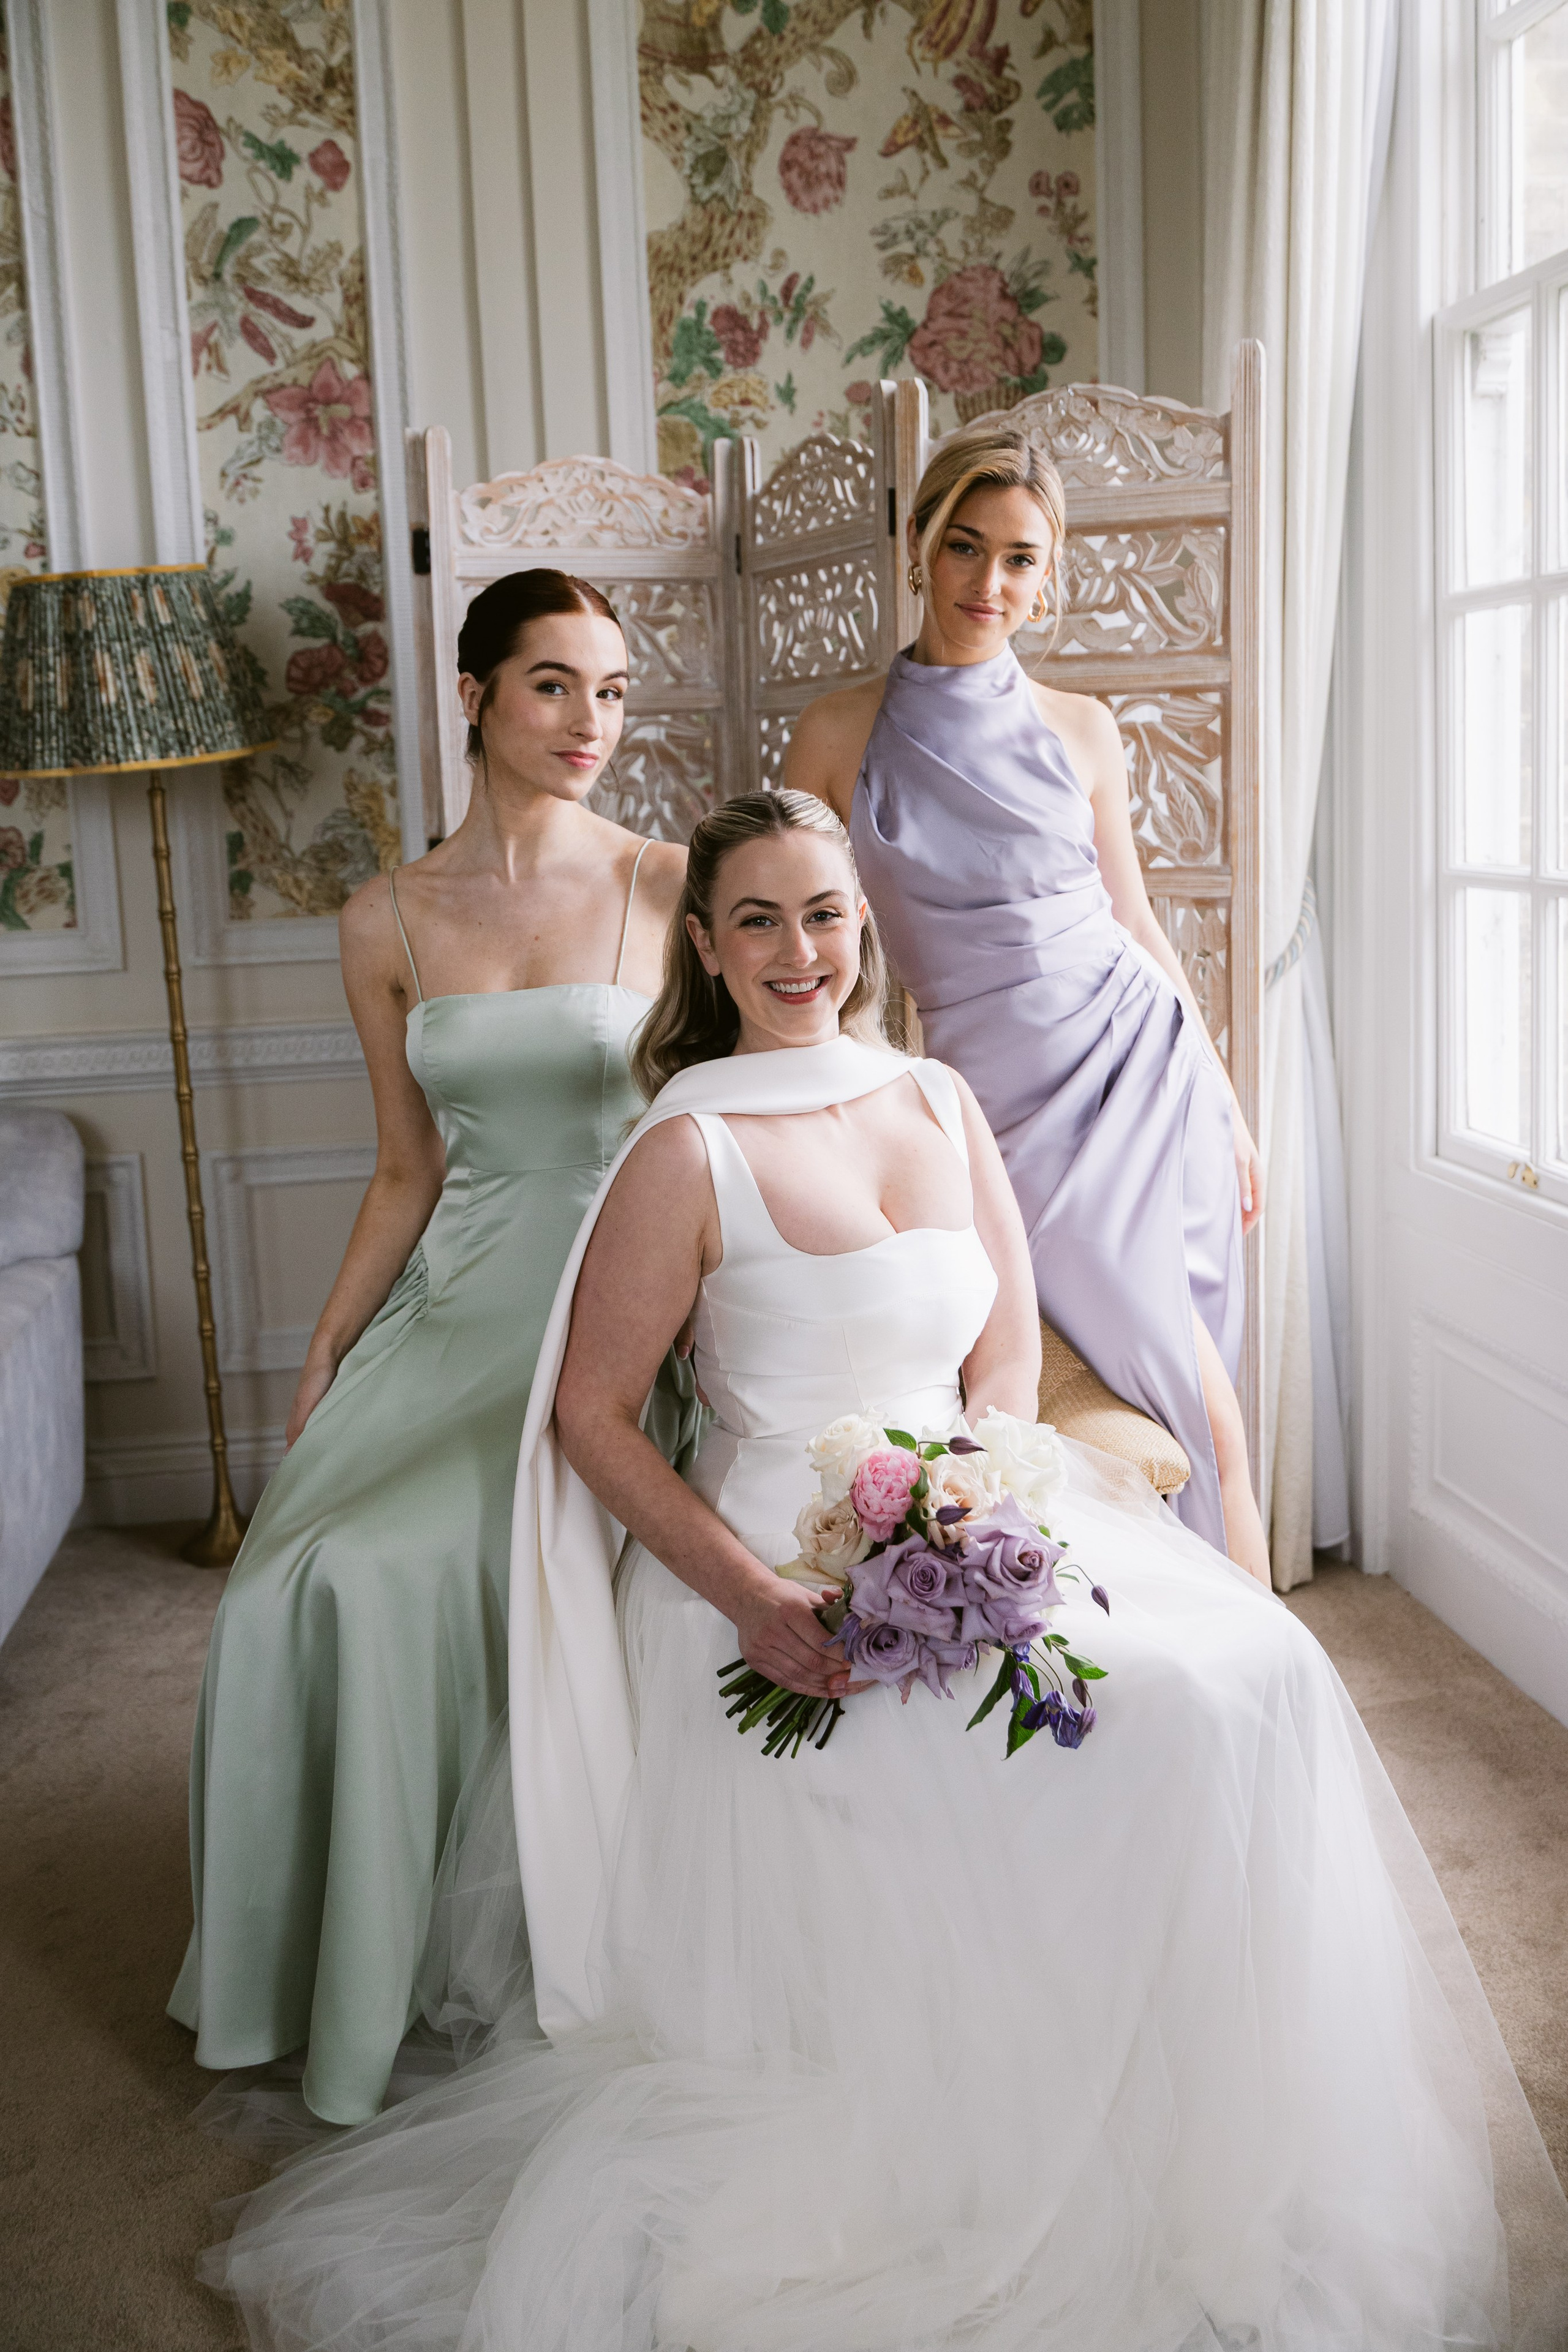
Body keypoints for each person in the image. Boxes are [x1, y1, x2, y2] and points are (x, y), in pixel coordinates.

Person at [202, 793, 1566, 2351]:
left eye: (828, 915)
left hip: (971, 1514)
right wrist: (756, 1602)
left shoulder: (934, 1099)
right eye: (763, 922)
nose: (803, 952)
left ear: (865, 927)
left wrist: (981, 1506)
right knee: (962, 1772)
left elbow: (998, 1345)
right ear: (705, 948)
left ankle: (1211, 2123)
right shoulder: (684, 1145)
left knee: (1252, 1675)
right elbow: (591, 1419)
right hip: (771, 1568)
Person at [168, 568, 690, 2127]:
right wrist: (329, 1345)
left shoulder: (668, 881)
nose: (588, 720)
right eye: (551, 685)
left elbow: (738, 1111)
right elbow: (408, 1166)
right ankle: (324, 1971)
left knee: (414, 1567)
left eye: (609, 689)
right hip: (454, 1303)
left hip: (616, 1308)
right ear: (472, 695)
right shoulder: (384, 916)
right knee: (287, 1580)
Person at [786, 428, 1269, 1580]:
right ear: (916, 546)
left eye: (1020, 559)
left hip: (1137, 1077)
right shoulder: (837, 733)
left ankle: (1263, 1697)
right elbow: (799, 935)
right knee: (1034, 1411)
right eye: (964, 547)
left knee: (1209, 1419)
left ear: (1048, 578)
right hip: (985, 1112)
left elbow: (1138, 927)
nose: (988, 584)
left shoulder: (1081, 728)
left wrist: (1226, 1095)